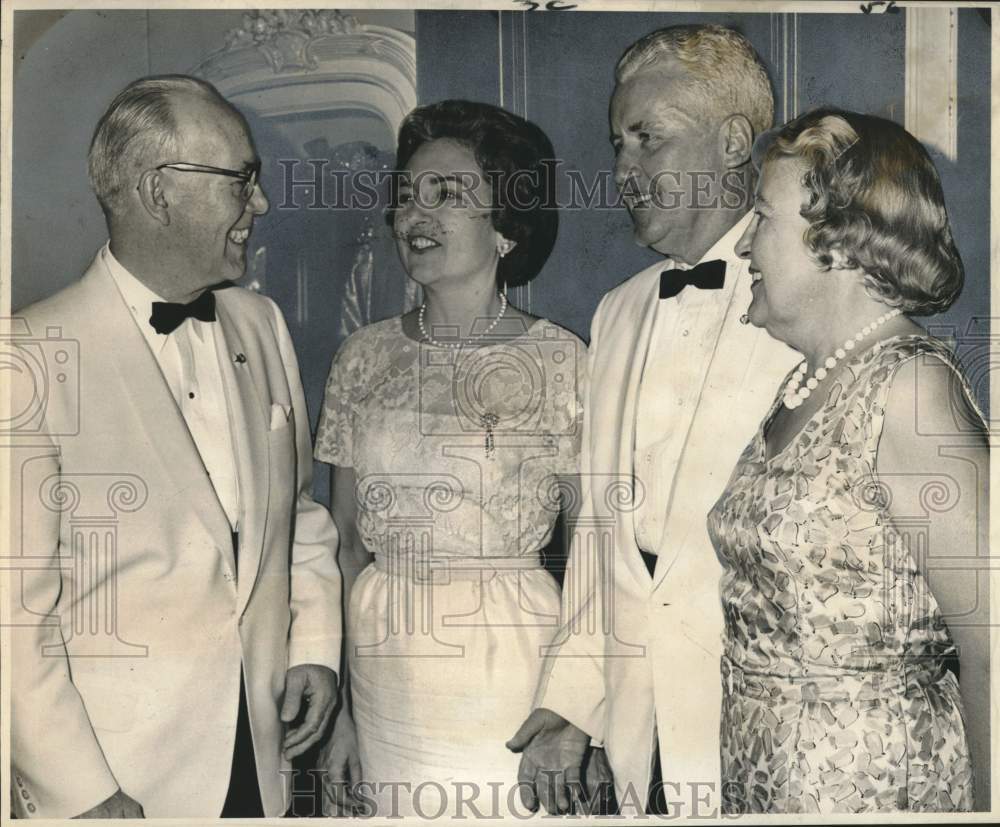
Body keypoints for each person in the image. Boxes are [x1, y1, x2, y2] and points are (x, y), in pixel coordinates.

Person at [8, 75, 342, 819]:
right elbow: (13, 618)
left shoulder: (261, 324)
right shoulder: (29, 355)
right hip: (119, 783)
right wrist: (84, 792)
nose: (259, 205)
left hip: (262, 760)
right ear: (159, 192)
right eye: (241, 180)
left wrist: (314, 642)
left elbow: (301, 514)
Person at [507, 25, 799, 815]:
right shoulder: (619, 311)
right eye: (617, 144)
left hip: (768, 731)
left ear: (734, 141)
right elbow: (603, 530)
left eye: (648, 141)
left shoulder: (811, 295)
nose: (623, 172)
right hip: (643, 726)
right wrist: (574, 705)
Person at [708, 107, 990, 814]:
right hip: (766, 776)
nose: (745, 246)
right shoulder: (807, 380)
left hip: (874, 784)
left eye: (763, 218)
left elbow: (995, 648)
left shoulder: (912, 390)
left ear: (838, 240)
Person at [313, 100, 585, 817]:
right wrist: (339, 706)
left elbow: (597, 547)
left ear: (505, 226)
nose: (415, 216)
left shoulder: (561, 359)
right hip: (383, 666)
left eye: (447, 194)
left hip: (511, 663)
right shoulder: (362, 356)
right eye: (407, 195)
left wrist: (578, 705)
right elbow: (342, 543)